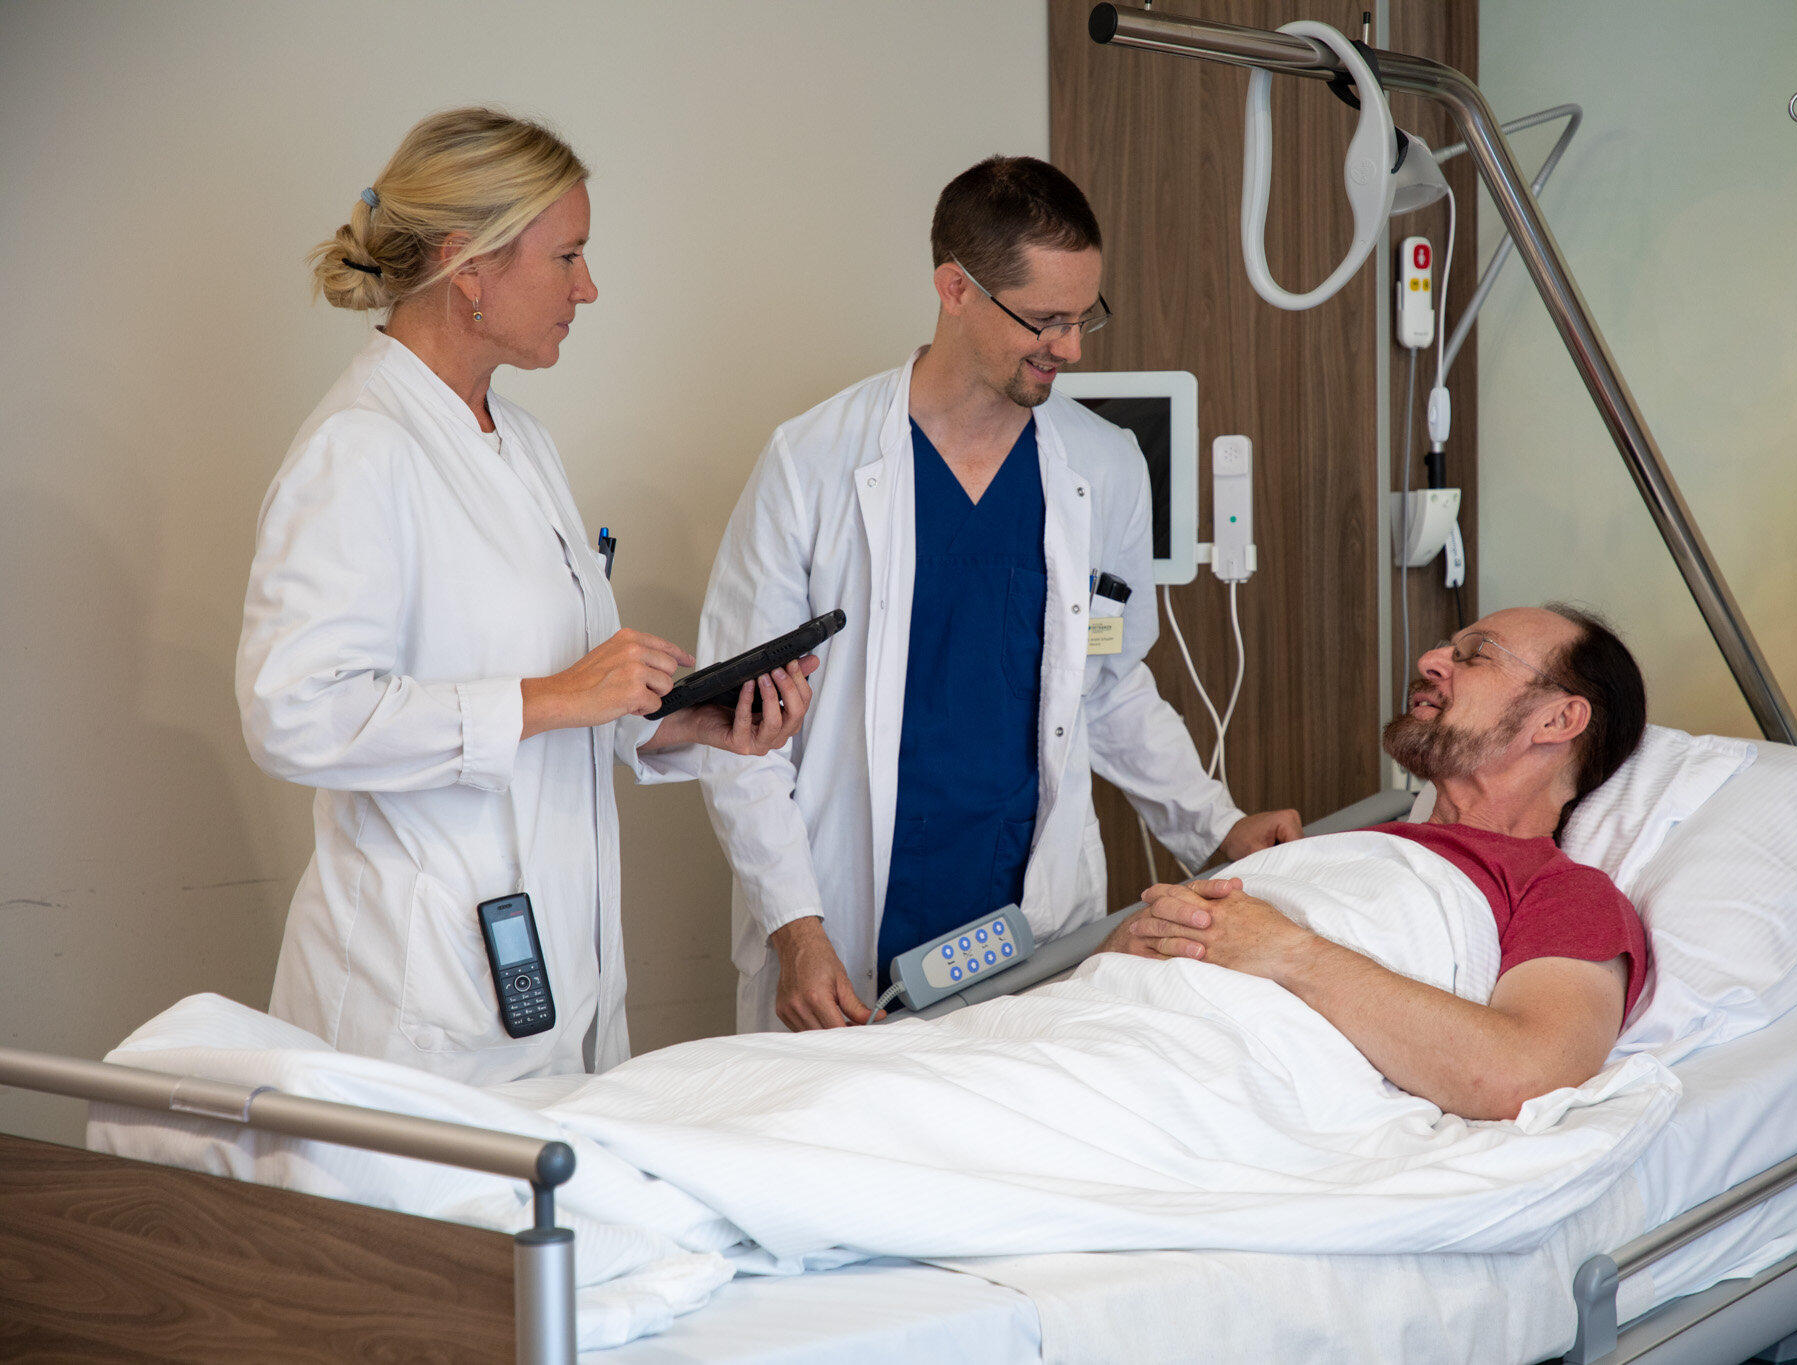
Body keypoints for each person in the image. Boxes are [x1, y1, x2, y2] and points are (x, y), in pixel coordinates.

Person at [237, 108, 814, 1086]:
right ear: (469, 267)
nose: (588, 287)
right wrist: (552, 698)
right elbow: (291, 713)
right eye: (567, 257)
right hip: (417, 994)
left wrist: (679, 724)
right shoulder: (359, 449)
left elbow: (565, 697)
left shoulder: (519, 442)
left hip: (551, 965)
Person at [699, 156, 1302, 1032]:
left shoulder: (1103, 466)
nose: (1072, 347)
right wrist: (796, 928)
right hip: (847, 917)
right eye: (1045, 320)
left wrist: (1215, 825)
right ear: (955, 289)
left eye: (1084, 316)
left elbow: (1110, 684)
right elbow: (737, 732)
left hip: (1034, 922)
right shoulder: (812, 463)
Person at [1107, 604, 1651, 1120]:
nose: (1429, 662)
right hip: (1097, 1030)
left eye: (1475, 654)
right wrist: (1148, 932)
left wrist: (1285, 951)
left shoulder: (1564, 892)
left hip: (1183, 1088)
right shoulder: (1342, 847)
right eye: (1444, 649)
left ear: (1559, 719)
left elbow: (1526, 1073)